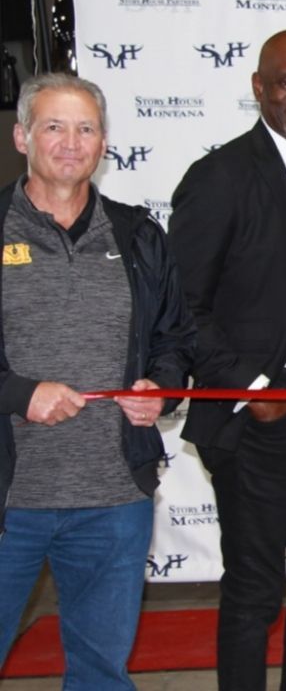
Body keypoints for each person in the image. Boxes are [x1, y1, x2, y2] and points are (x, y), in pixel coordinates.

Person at [169, 30, 286, 691]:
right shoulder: (219, 177)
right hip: (255, 418)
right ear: (259, 87)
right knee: (255, 589)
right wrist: (253, 385)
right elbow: (183, 306)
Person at [0, 73, 194, 688]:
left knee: (101, 672)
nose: (69, 142)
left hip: (114, 501)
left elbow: (175, 339)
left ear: (104, 143)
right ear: (21, 136)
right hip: (10, 503)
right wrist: (19, 394)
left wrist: (159, 389)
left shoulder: (138, 234)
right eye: (53, 126)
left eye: (85, 128)